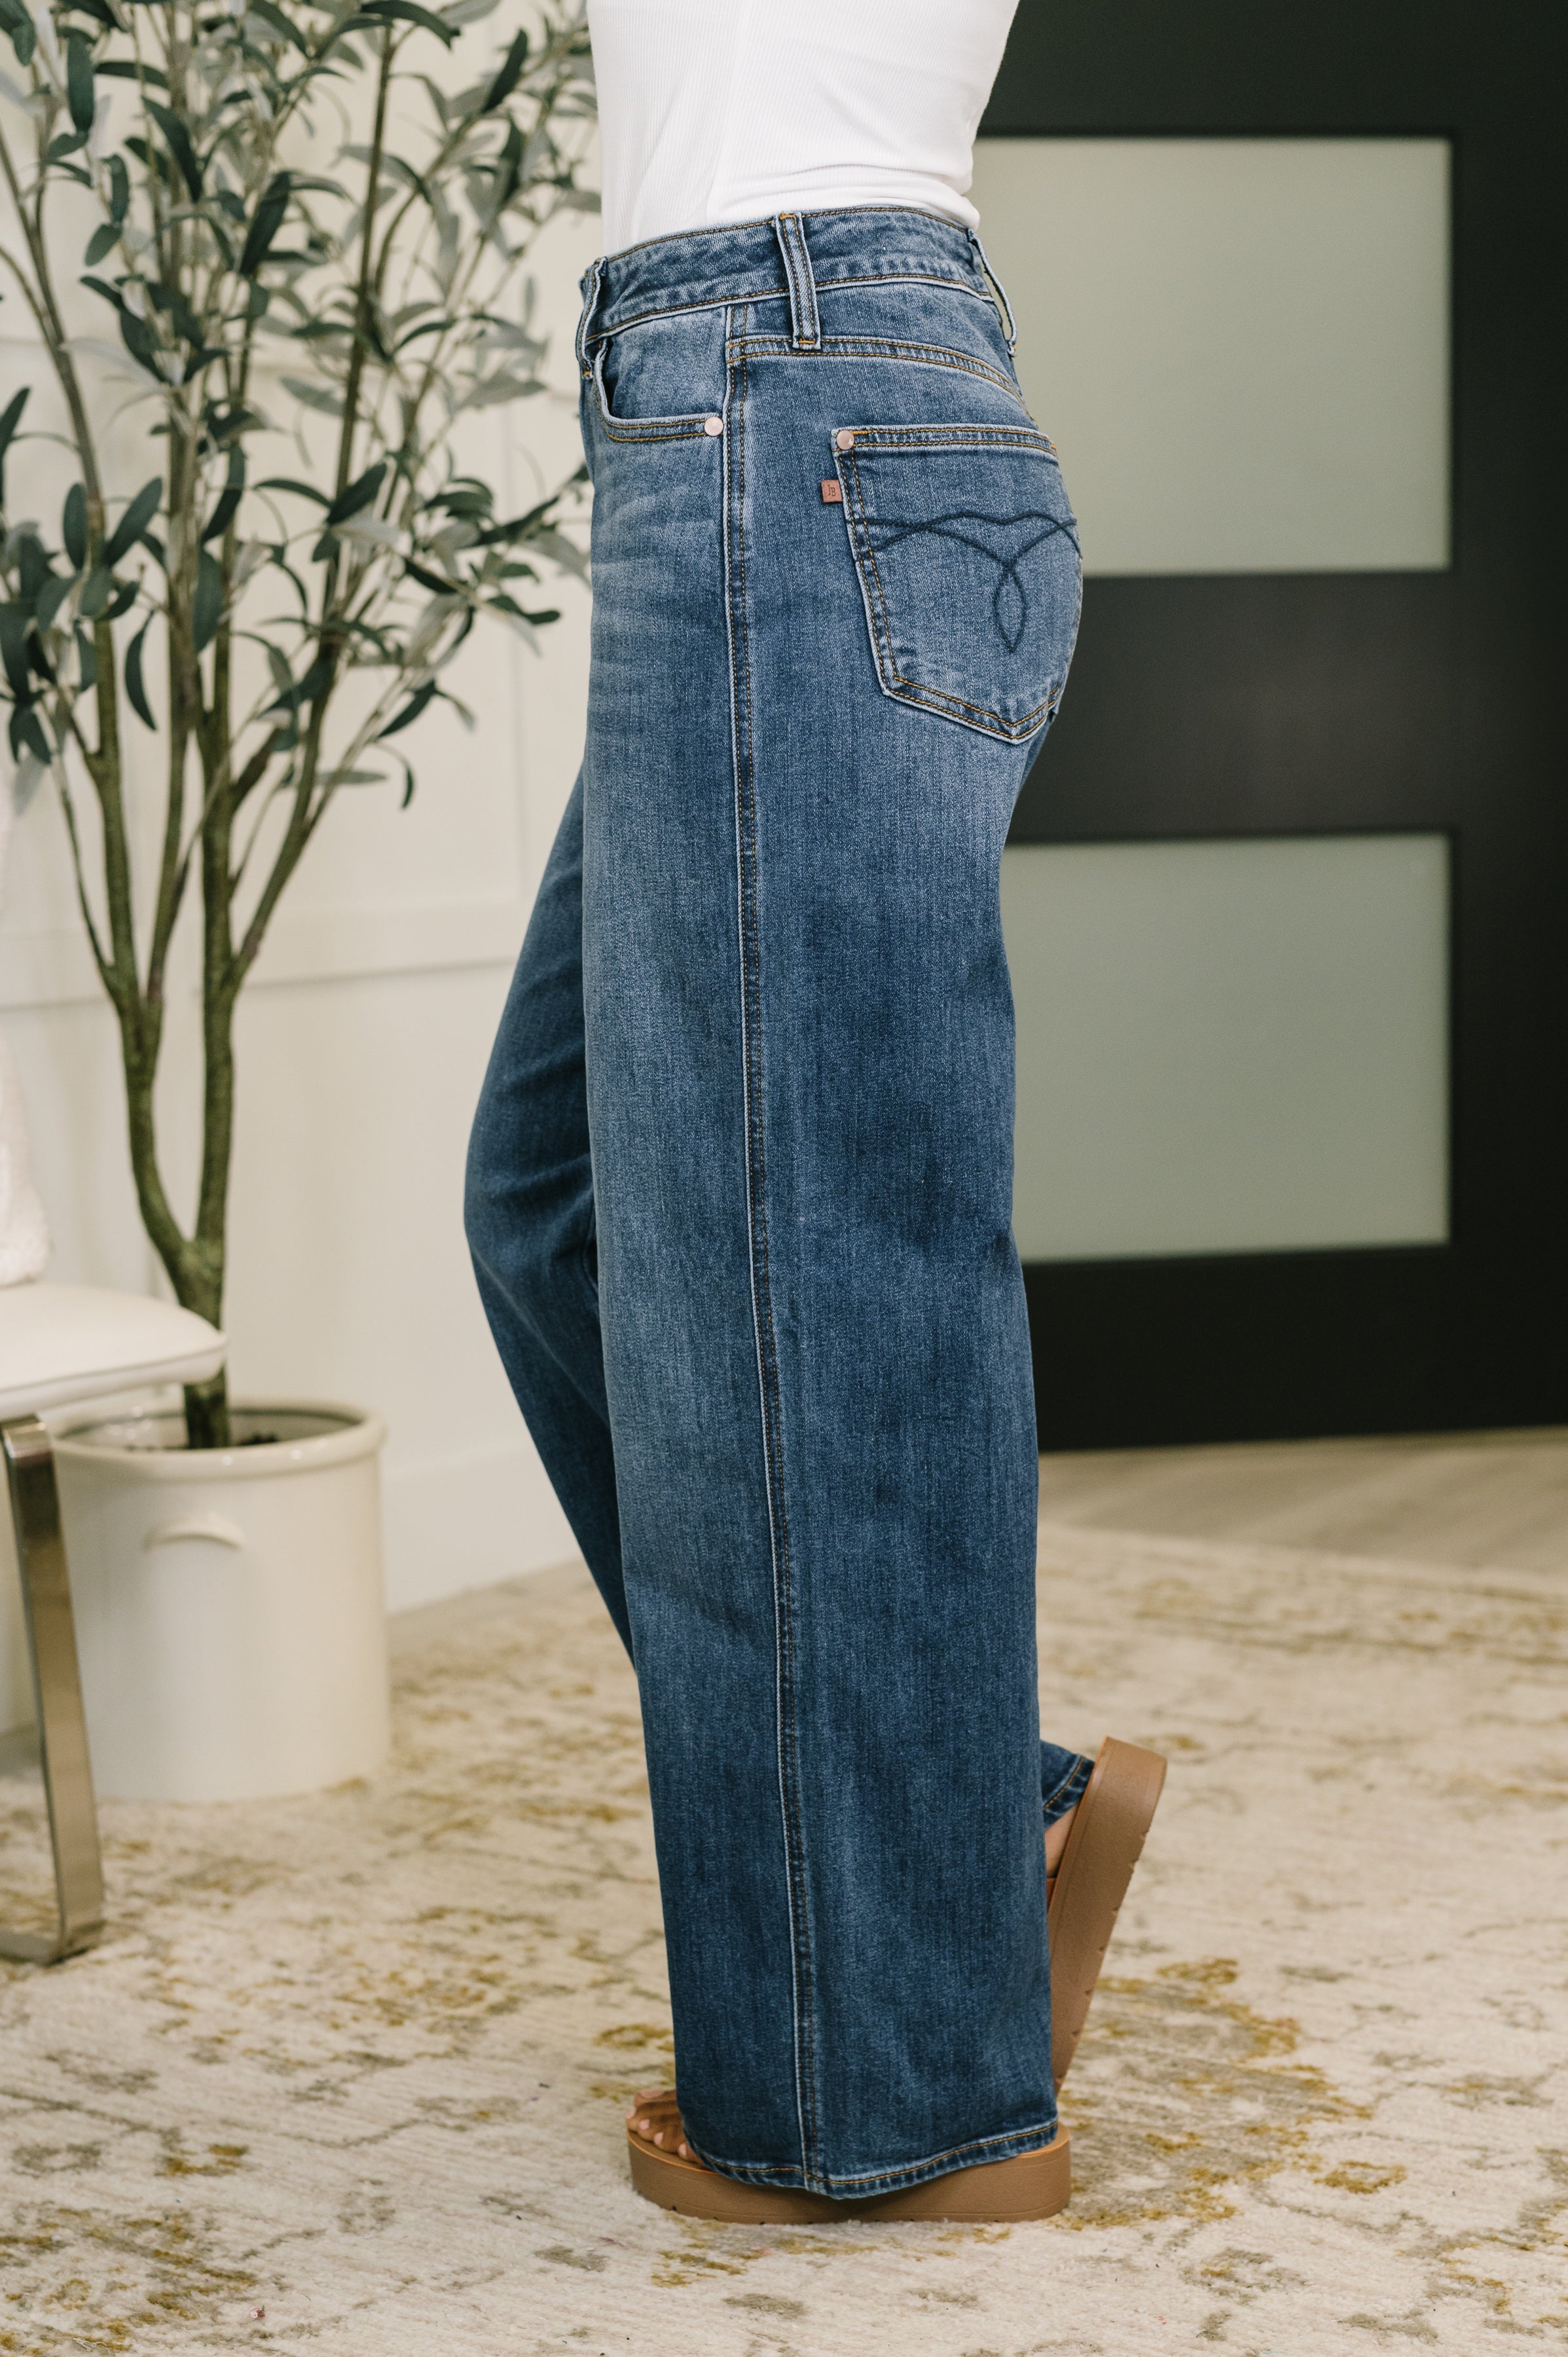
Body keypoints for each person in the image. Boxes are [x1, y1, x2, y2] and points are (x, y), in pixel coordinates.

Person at [464, 0, 1165, 2225]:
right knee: (561, 1196)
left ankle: (889, 2101)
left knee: (813, 1264)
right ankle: (959, 1830)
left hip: (783, 392)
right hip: (771, 397)